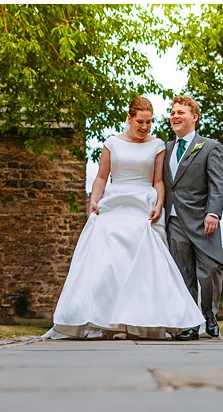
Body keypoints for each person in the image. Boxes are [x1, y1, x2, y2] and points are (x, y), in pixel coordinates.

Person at [45, 97, 204, 340]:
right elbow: (101, 177)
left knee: (144, 266)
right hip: (115, 204)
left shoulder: (158, 145)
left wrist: (159, 203)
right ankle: (113, 322)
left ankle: (141, 322)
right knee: (110, 264)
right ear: (129, 118)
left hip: (143, 206)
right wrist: (93, 202)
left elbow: (158, 181)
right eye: (140, 121)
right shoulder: (112, 144)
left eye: (149, 122)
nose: (144, 127)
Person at [163, 95, 223, 340]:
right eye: (172, 112)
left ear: (194, 117)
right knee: (183, 273)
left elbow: (217, 183)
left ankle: (209, 314)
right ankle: (189, 323)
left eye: (181, 112)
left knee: (210, 269)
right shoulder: (165, 148)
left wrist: (213, 212)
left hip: (203, 220)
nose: (175, 116)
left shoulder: (210, 146)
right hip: (174, 220)